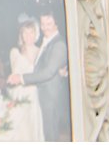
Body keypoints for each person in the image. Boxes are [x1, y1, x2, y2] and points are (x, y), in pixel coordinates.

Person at [8, 11, 69, 140]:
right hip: (23, 96)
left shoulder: (51, 45)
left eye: (49, 23)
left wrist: (60, 73)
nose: (45, 27)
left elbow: (48, 71)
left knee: (41, 132)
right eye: (43, 24)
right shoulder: (17, 52)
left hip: (39, 97)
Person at [7, 17, 45, 140]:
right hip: (19, 95)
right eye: (25, 32)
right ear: (21, 35)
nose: (28, 36)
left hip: (35, 96)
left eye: (31, 32)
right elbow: (14, 76)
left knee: (32, 127)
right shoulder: (15, 52)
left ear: (36, 34)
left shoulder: (42, 52)